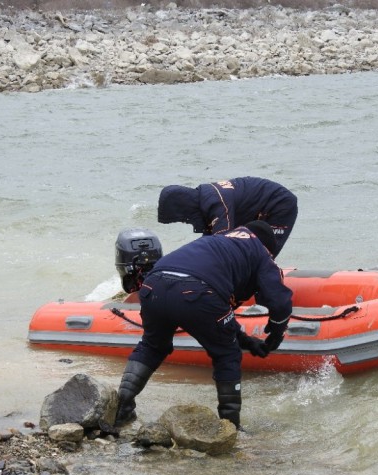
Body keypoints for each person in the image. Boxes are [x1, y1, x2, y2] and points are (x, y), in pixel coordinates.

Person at [115, 220, 292, 429]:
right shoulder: (261, 253)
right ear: (269, 248)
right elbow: (280, 302)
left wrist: (246, 340)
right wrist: (276, 335)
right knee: (227, 353)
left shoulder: (219, 241)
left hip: (154, 283)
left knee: (153, 346)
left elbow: (219, 318)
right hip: (196, 291)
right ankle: (230, 425)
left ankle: (122, 407)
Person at [157, 176, 298, 258]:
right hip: (253, 210)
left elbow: (222, 245)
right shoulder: (205, 199)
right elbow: (209, 240)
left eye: (182, 218)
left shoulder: (218, 204)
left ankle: (266, 294)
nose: (184, 221)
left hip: (278, 205)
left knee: (263, 254)